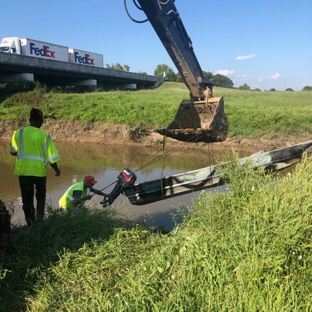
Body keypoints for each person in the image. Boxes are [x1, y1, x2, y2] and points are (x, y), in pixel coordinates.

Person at [10, 108, 61, 225]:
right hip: (39, 173)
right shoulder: (45, 136)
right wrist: (56, 169)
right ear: (41, 121)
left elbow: (13, 151)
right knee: (40, 197)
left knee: (27, 199)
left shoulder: (18, 133)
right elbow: (51, 157)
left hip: (24, 172)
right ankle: (40, 221)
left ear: (29, 120)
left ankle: (30, 222)